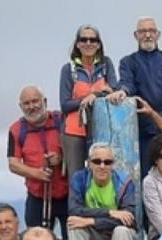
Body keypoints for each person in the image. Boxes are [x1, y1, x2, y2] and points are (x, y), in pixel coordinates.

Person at [113, 16, 162, 178]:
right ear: (136, 35)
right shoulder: (128, 62)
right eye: (143, 31)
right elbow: (127, 83)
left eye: (151, 31)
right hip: (144, 128)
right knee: (147, 174)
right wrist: (123, 91)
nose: (147, 35)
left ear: (158, 34)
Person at [67, 142, 138, 240]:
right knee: (74, 222)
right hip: (94, 238)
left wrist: (92, 221)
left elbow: (129, 219)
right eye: (97, 161)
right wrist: (110, 212)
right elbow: (74, 210)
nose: (102, 166)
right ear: (89, 163)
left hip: (119, 239)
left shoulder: (125, 182)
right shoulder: (79, 179)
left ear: (113, 164)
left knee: (122, 230)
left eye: (107, 162)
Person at [8, 86, 69, 240]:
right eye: (26, 103)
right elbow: (13, 163)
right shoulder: (16, 129)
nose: (32, 106)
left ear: (45, 102)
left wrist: (61, 158)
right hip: (37, 196)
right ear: (21, 106)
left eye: (35, 101)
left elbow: (78, 150)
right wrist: (36, 173)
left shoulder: (61, 120)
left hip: (67, 194)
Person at [58, 24, 118, 181]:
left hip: (103, 129)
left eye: (93, 40)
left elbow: (113, 90)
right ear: (77, 44)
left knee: (105, 176)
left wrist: (95, 95)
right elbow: (65, 105)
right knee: (77, 178)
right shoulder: (68, 69)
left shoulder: (106, 65)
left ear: (99, 44)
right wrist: (86, 99)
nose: (88, 43)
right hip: (74, 132)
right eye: (84, 39)